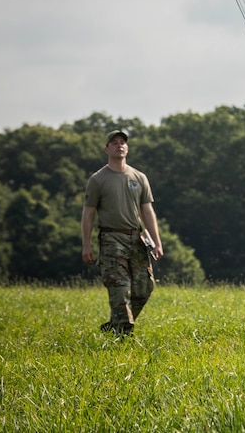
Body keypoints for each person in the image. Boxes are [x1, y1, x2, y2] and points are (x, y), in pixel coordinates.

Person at [81, 130, 164, 336]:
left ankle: (115, 324)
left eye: (123, 143)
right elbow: (88, 212)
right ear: (106, 148)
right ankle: (123, 335)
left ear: (127, 148)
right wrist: (86, 244)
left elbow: (147, 211)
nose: (119, 146)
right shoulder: (98, 179)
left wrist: (156, 241)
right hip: (111, 238)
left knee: (144, 287)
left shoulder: (139, 177)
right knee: (120, 288)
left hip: (137, 238)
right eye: (114, 143)